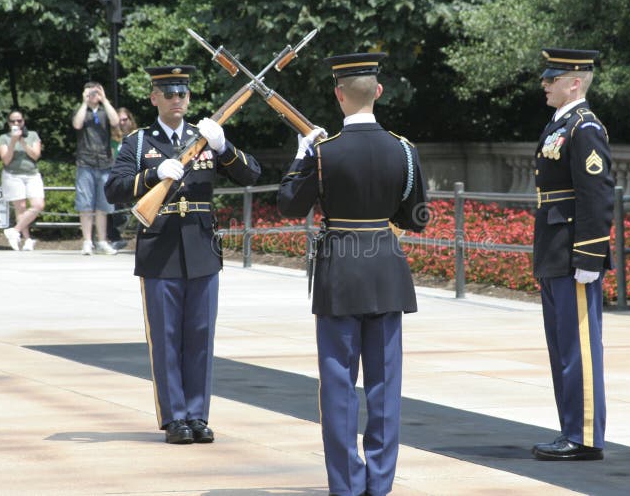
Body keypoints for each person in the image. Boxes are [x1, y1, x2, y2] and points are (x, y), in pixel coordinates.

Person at [277, 53, 428, 496]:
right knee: (384, 386)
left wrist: (301, 157)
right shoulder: (404, 149)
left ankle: (346, 484)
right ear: (377, 92)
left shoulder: (324, 154)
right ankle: (379, 484)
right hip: (385, 270)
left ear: (339, 94)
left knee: (339, 387)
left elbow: (289, 205)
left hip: (339, 273)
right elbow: (416, 217)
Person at [105, 65, 261, 445]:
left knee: (200, 336)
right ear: (154, 97)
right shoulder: (139, 143)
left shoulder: (205, 137)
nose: (177, 99)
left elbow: (251, 175)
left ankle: (197, 414)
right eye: (169, 93)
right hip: (160, 249)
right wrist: (153, 174)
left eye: (182, 93)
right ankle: (174, 417)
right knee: (166, 335)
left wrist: (223, 147)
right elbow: (114, 189)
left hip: (201, 248)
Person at [531, 48, 615, 461]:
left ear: (575, 82)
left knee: (579, 348)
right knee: (563, 347)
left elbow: (596, 196)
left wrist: (588, 257)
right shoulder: (561, 124)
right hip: (554, 250)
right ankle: (571, 429)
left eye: (553, 78)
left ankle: (584, 437)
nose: (545, 84)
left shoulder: (584, 128)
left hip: (571, 254)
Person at [71, 81, 119, 255]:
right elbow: (77, 124)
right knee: (85, 204)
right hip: (85, 162)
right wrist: (85, 103)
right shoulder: (81, 111)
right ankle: (87, 241)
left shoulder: (105, 111)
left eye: (95, 91)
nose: (93, 95)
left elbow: (115, 122)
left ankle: (102, 241)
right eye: (89, 92)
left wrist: (104, 100)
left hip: (105, 162)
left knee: (103, 205)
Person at [0, 109, 45, 251]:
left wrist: (22, 142)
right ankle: (27, 239)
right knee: (21, 207)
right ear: (8, 123)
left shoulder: (32, 135)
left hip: (32, 174)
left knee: (38, 205)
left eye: (19, 121)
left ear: (23, 122)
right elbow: (6, 160)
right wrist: (13, 141)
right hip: (12, 175)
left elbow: (36, 155)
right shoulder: (3, 138)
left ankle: (14, 230)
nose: (16, 123)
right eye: (13, 121)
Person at [105, 107, 138, 250]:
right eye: (120, 120)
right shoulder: (112, 141)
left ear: (130, 120)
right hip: (118, 177)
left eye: (125, 119)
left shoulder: (138, 137)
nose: (123, 123)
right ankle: (114, 236)